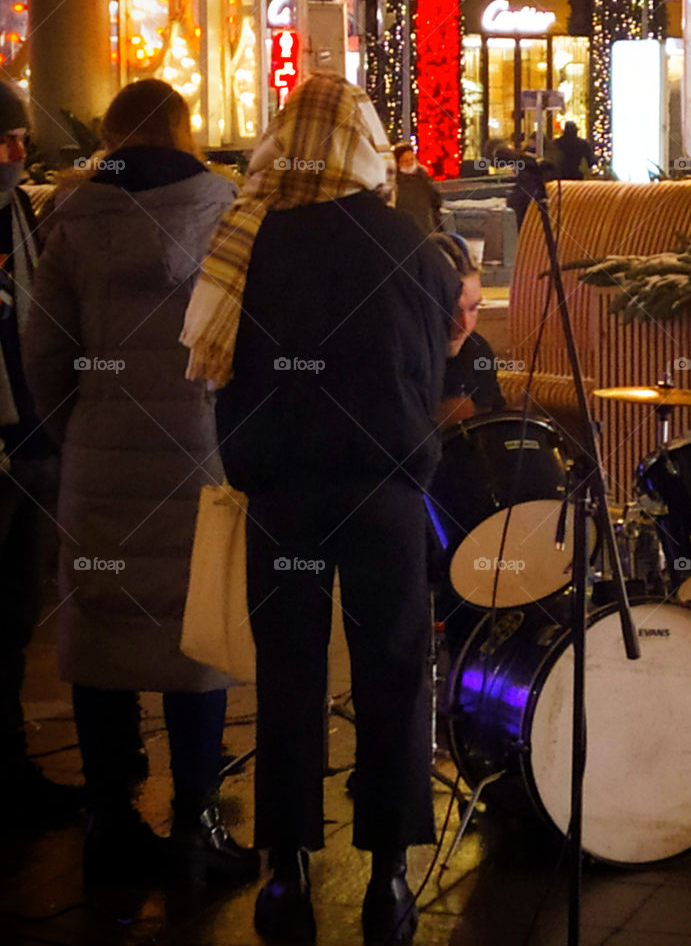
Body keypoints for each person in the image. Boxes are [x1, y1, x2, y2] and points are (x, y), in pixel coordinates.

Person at [183, 74, 461, 945]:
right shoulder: (410, 246)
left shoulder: (251, 238)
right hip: (383, 497)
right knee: (392, 674)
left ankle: (286, 876)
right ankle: (386, 879)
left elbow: (222, 371)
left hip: (284, 496)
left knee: (290, 678)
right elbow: (429, 379)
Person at [23, 79, 257, 889]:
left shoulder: (74, 219)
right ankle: (194, 827)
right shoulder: (229, 209)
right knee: (200, 633)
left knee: (99, 631)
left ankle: (111, 822)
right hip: (200, 450)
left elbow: (45, 350)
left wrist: (78, 426)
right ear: (185, 130)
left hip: (100, 451)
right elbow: (250, 339)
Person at [0, 79, 84, 834]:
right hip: (14, 440)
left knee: (17, 612)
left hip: (30, 442)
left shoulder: (21, 214)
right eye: (6, 141)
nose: (19, 154)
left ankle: (13, 765)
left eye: (22, 139)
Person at [432, 233, 504, 427]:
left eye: (473, 308)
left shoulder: (477, 351)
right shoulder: (396, 358)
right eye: (451, 311)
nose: (464, 325)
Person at [393, 143, 442, 235]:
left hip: (427, 227)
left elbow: (436, 201)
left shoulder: (424, 178)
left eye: (412, 159)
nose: (410, 163)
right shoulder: (395, 183)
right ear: (398, 163)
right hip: (405, 230)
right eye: (405, 161)